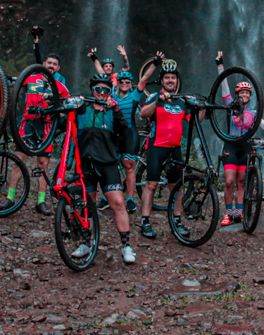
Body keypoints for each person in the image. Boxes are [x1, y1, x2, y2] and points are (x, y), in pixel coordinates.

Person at [137, 58, 203, 239]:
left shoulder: (181, 101)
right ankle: (145, 222)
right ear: (162, 80)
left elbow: (196, 122)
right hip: (156, 147)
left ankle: (177, 221)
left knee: (177, 186)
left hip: (175, 148)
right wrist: (157, 100)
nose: (170, 81)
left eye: (173, 78)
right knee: (151, 184)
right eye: (167, 78)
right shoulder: (154, 96)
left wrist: (202, 106)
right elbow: (143, 113)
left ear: (177, 81)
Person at [75, 75, 136, 264]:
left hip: (108, 163)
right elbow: (63, 121)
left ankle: (126, 246)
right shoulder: (81, 108)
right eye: (98, 89)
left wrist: (115, 109)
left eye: (106, 90)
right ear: (92, 90)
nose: (101, 93)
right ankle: (87, 243)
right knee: (87, 206)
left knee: (118, 203)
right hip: (86, 163)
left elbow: (125, 130)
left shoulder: (111, 110)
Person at [214, 51, 264, 225]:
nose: (244, 95)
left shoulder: (253, 113)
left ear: (250, 96)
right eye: (241, 92)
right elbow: (224, 89)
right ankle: (229, 213)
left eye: (247, 93)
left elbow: (262, 123)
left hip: (246, 148)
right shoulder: (230, 106)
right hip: (231, 146)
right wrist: (221, 67)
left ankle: (239, 213)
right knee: (229, 182)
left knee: (241, 182)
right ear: (237, 95)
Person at [20, 28, 69, 215]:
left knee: (43, 165)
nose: (51, 66)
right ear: (43, 63)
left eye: (54, 64)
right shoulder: (31, 77)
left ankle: (40, 202)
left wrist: (60, 115)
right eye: (49, 63)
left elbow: (67, 103)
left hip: (46, 126)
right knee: (19, 160)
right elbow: (15, 85)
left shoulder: (59, 85)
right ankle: (10, 198)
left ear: (57, 68)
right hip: (27, 123)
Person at [111, 70, 142, 213]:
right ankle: (110, 197)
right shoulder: (112, 95)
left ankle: (130, 199)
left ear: (131, 85)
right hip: (114, 134)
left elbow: (144, 79)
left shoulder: (134, 95)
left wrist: (155, 63)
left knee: (129, 166)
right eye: (121, 81)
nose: (124, 84)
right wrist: (94, 59)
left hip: (130, 133)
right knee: (111, 165)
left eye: (127, 82)